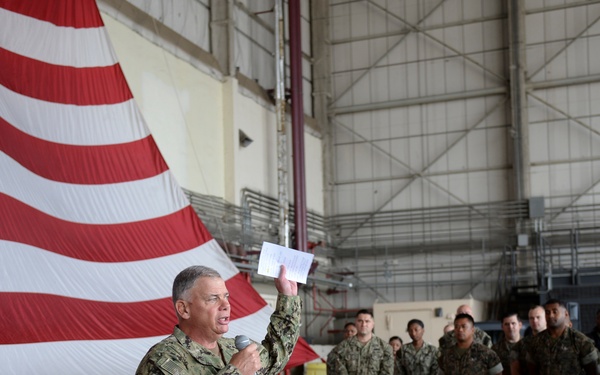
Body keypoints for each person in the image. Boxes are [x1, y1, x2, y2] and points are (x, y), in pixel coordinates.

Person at [136, 265, 300, 375]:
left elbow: (275, 356)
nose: (226, 305)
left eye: (226, 297)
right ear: (184, 309)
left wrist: (288, 296)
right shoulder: (162, 360)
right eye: (213, 298)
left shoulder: (232, 348)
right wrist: (236, 372)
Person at [525, 299, 598, 375]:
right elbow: (532, 370)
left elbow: (593, 371)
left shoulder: (581, 341)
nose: (551, 315)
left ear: (566, 314)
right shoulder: (536, 341)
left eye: (555, 312)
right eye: (547, 312)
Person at [327, 309, 394, 375]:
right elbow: (333, 366)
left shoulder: (385, 348)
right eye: (360, 321)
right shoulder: (342, 348)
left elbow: (387, 372)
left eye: (367, 321)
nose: (363, 324)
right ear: (356, 323)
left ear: (373, 324)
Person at [438, 314, 503, 375]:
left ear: (472, 330)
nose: (460, 330)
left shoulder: (487, 354)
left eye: (464, 326)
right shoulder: (446, 355)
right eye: (457, 327)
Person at [509, 305, 546, 375]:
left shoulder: (557, 341)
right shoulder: (520, 346)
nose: (535, 320)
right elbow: (515, 370)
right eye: (531, 318)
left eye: (538, 317)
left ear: (546, 318)